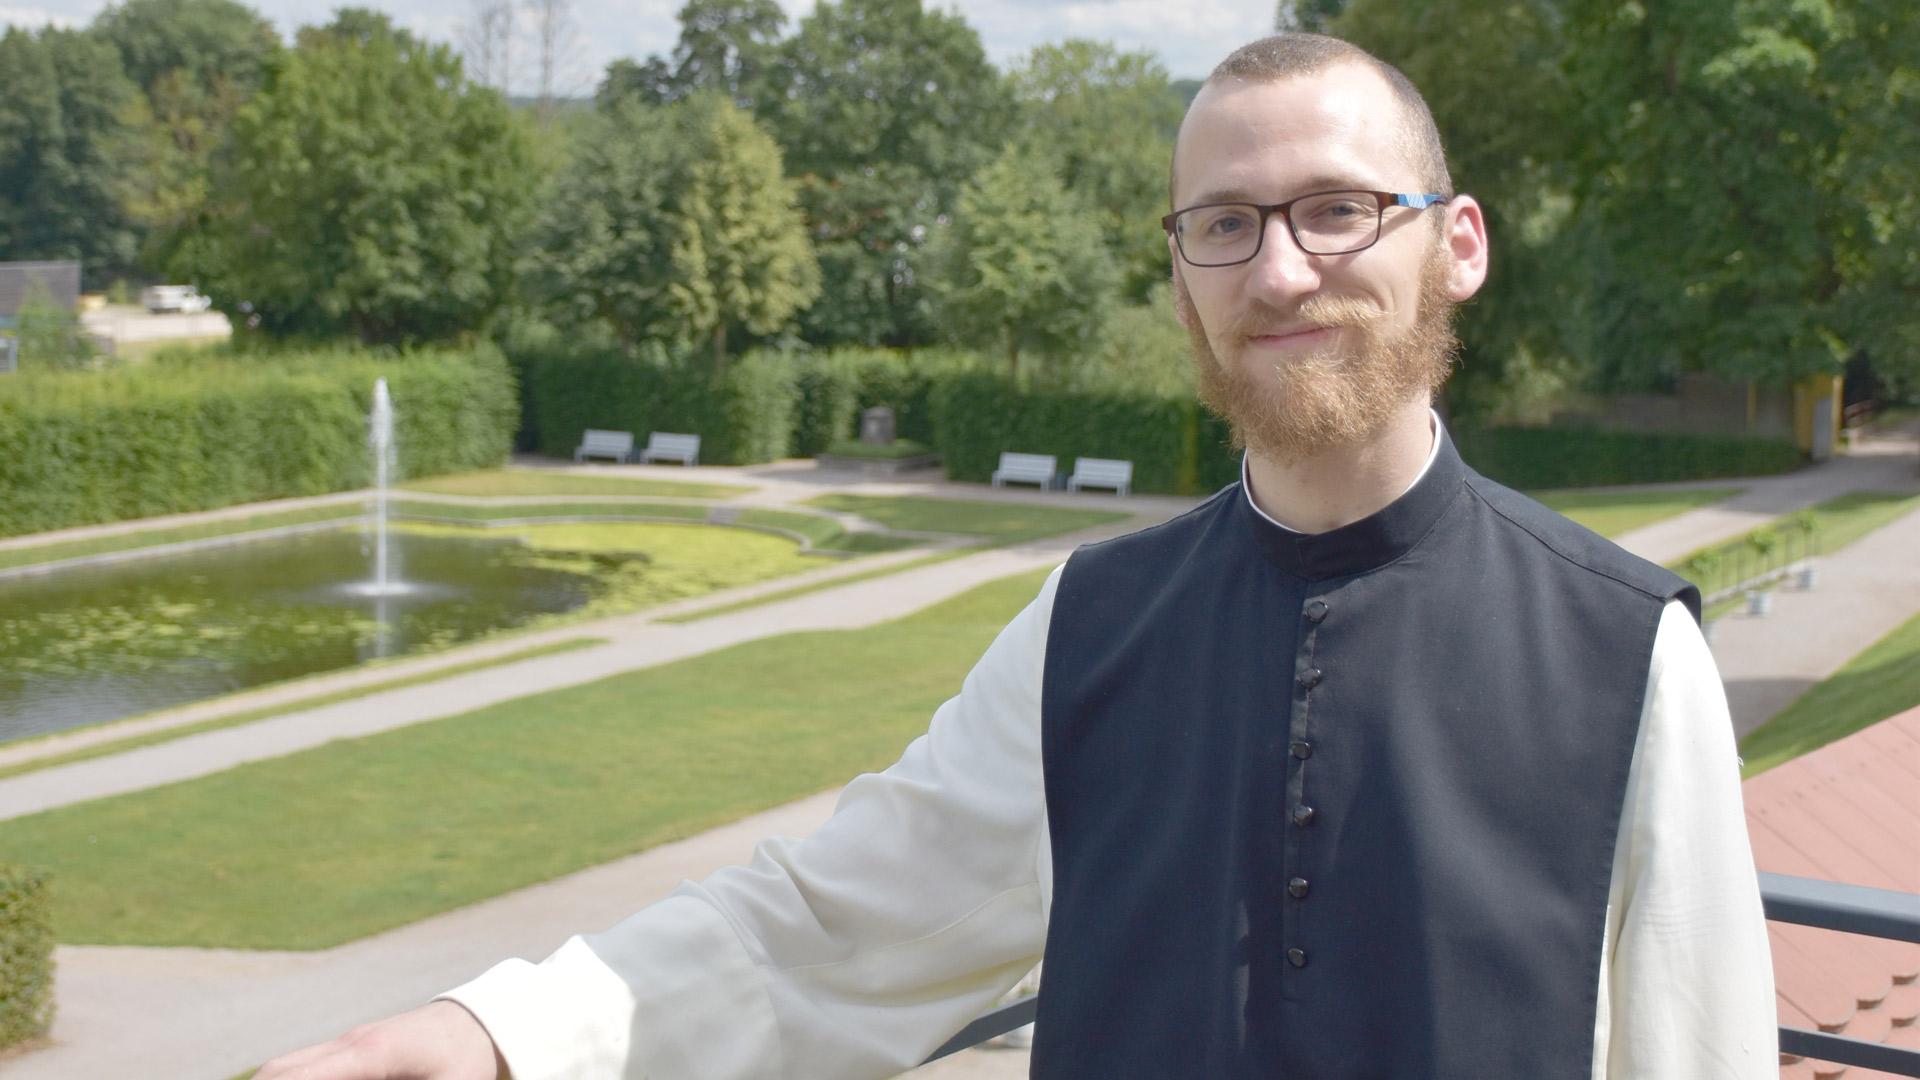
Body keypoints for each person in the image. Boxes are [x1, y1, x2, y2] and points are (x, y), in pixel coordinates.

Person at [256, 32, 1776, 1080]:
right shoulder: (1089, 625)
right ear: (1181, 277)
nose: (1284, 267)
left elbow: (1701, 1047)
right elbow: (829, 926)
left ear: (1455, 242)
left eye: (1336, 208)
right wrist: (501, 1035)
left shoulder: (1627, 651)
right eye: (1226, 225)